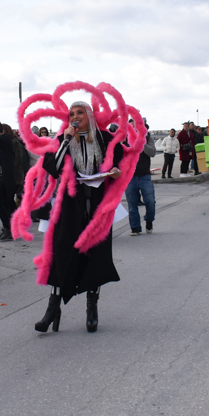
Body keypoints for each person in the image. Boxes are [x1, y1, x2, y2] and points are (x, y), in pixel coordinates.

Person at [33, 101, 124, 334]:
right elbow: (53, 168)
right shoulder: (61, 140)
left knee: (96, 255)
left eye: (80, 112)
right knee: (62, 253)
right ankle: (53, 309)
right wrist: (66, 140)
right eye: (71, 114)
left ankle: (92, 308)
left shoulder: (104, 139)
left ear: (89, 115)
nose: (75, 116)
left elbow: (118, 162)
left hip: (97, 207)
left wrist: (115, 171)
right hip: (69, 207)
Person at [126, 119, 157, 234]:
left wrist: (141, 142)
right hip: (130, 177)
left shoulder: (147, 137)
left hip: (145, 176)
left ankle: (149, 220)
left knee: (150, 201)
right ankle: (135, 227)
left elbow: (152, 153)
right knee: (132, 204)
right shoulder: (125, 138)